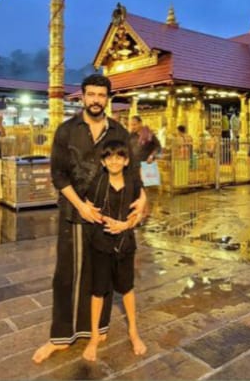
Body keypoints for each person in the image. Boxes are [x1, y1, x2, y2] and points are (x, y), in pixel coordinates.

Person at [33, 74, 146, 363]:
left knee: (100, 278)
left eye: (101, 95)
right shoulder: (67, 131)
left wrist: (143, 196)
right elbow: (58, 174)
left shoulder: (119, 132)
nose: (96, 100)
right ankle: (61, 337)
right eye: (91, 94)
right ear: (82, 96)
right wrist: (81, 205)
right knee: (66, 275)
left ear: (108, 98)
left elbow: (132, 171)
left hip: (109, 218)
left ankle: (97, 330)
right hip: (74, 213)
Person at [82, 140, 146, 361]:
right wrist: (94, 213)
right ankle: (93, 337)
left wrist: (125, 225)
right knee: (98, 290)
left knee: (127, 289)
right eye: (109, 157)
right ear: (103, 161)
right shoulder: (96, 184)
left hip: (125, 244)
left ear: (126, 160)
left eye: (119, 157)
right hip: (101, 243)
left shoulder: (133, 184)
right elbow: (88, 208)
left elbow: (139, 214)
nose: (114, 161)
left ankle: (133, 331)